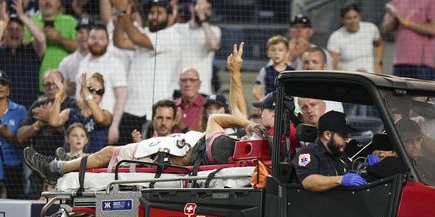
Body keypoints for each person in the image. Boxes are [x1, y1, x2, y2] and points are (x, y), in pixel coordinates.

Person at [23, 43, 268, 185]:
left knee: (110, 154)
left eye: (264, 110)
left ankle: (56, 168)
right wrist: (235, 74)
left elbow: (219, 118)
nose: (259, 114)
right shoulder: (242, 143)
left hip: (172, 154)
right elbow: (238, 111)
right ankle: (68, 162)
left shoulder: (234, 142)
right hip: (177, 147)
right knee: (109, 154)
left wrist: (247, 125)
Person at [110, 0, 180, 145]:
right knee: (125, 157)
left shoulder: (173, 35)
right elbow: (119, 42)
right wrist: (122, 16)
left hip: (153, 114)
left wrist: (123, 12)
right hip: (130, 110)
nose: (153, 16)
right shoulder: (145, 33)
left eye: (159, 13)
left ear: (169, 17)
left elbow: (135, 37)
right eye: (152, 12)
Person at [16, 69, 77, 197]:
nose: (51, 87)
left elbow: (78, 136)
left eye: (55, 83)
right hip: (39, 168)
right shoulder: (38, 105)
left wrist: (51, 119)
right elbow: (20, 136)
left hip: (65, 169)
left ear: (64, 84)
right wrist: (37, 125)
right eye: (47, 84)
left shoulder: (73, 105)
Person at [382, 0, 435, 80]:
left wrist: (405, 21)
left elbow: (434, 29)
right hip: (400, 62)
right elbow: (385, 28)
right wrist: (396, 16)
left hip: (422, 65)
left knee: (423, 97)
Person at [0, 0, 46, 109]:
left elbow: (41, 38)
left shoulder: (31, 51)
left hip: (27, 109)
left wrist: (22, 16)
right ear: (4, 32)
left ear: (23, 33)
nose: (14, 32)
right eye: (10, 29)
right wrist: (3, 22)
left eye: (18, 29)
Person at [76, 24, 127, 144]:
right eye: (93, 38)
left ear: (108, 42)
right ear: (87, 40)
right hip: (81, 123)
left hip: (103, 124)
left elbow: (122, 97)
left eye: (101, 38)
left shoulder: (115, 63)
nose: (96, 42)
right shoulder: (83, 62)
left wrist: (114, 126)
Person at [293, 111, 367, 192]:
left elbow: (355, 167)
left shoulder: (339, 155)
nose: (347, 140)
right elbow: (308, 181)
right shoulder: (309, 153)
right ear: (327, 135)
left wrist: (368, 165)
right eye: (343, 136)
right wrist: (340, 180)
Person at [24, 0, 78, 91]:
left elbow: (80, 48)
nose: (47, 1)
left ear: (58, 2)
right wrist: (38, 38)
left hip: (65, 83)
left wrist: (60, 39)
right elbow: (19, 46)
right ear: (38, 3)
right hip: (37, 81)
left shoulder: (70, 21)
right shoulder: (31, 22)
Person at [0, 70, 27, 199]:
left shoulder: (20, 111)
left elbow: (24, 145)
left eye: (3, 83)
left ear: (8, 88)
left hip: (12, 173)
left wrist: (7, 134)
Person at [50, 72, 112, 154]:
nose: (94, 93)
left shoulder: (106, 114)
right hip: (71, 162)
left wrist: (88, 94)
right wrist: (60, 92)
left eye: (99, 91)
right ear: (81, 92)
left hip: (94, 163)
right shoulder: (70, 113)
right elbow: (54, 122)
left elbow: (100, 119)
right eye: (90, 89)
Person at [174, 0, 221, 95]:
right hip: (178, 88)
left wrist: (202, 16)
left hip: (202, 90)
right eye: (202, 7)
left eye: (208, 9)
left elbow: (213, 45)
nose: (205, 11)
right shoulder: (178, 28)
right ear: (191, 7)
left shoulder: (214, 30)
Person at [327, 3, 383, 74]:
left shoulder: (370, 28)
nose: (353, 21)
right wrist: (354, 73)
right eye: (348, 18)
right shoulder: (336, 37)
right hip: (349, 79)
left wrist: (378, 63)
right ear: (342, 20)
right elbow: (332, 67)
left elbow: (379, 45)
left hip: (371, 77)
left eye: (355, 17)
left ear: (360, 16)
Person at [252, 91, 301, 158]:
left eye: (262, 109)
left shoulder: (278, 133)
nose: (260, 112)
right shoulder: (290, 128)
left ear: (274, 112)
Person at [58, 17, 94, 96]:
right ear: (76, 35)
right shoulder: (66, 61)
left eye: (88, 32)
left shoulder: (100, 59)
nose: (84, 36)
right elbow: (59, 88)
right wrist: (67, 88)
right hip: (73, 104)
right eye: (81, 32)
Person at [253, 35, 295, 100]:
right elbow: (256, 91)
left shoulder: (292, 72)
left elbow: (295, 93)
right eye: (273, 50)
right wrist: (263, 103)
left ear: (287, 53)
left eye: (280, 50)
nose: (276, 53)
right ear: (268, 53)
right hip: (270, 106)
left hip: (287, 105)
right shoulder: (265, 71)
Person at [173, 68, 205, 133]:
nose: (188, 84)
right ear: (179, 84)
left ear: (199, 84)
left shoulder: (207, 107)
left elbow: (210, 137)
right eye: (184, 80)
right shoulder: (171, 106)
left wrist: (183, 127)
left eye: (192, 80)